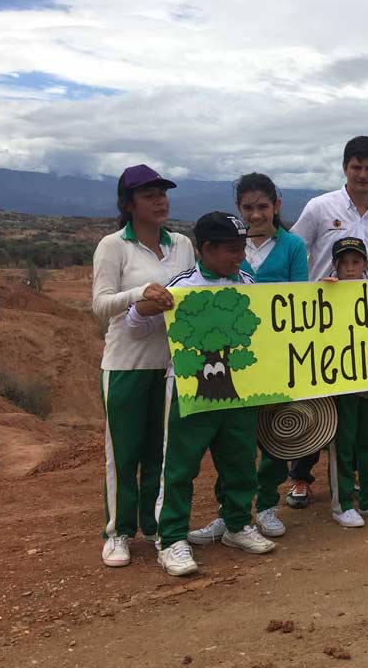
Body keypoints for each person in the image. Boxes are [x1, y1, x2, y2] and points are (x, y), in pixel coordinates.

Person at [132, 212, 277, 576]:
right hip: (187, 389)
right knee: (180, 465)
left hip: (240, 391)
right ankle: (171, 539)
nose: (239, 256)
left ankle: (236, 524)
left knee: (241, 460)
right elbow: (135, 325)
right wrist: (146, 303)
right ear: (206, 249)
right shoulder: (181, 285)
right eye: (231, 250)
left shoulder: (247, 281)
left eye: (242, 248)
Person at [187, 173, 309, 545]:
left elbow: (299, 298)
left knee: (274, 432)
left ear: (277, 206)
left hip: (276, 354)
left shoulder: (292, 246)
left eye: (262, 206)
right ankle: (231, 514)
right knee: (232, 440)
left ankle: (267, 504)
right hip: (231, 358)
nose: (256, 214)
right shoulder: (233, 246)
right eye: (248, 208)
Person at [286, 136, 368, 508]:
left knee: (360, 403)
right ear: (345, 168)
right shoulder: (320, 208)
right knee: (317, 400)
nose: (363, 174)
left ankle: (355, 480)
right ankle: (301, 477)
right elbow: (293, 249)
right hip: (321, 321)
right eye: (357, 167)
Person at [92, 164, 196, 568]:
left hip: (171, 365)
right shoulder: (113, 245)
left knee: (161, 451)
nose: (160, 200)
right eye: (149, 194)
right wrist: (139, 294)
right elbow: (101, 305)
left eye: (163, 193)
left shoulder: (182, 245)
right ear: (128, 203)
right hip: (125, 364)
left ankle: (154, 527)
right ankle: (117, 531)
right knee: (123, 451)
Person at [322, 236, 368, 526]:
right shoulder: (326, 292)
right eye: (345, 263)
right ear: (336, 266)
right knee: (343, 441)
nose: (350, 268)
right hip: (342, 383)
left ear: (365, 264)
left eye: (356, 262)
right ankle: (341, 504)